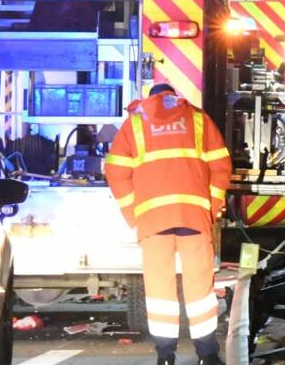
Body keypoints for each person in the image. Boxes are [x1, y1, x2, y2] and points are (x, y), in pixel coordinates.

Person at [105, 84, 231, 365]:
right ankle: (207, 355)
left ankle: (165, 356)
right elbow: (221, 166)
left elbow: (115, 170)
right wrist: (211, 207)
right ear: (173, 96)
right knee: (200, 288)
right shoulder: (197, 118)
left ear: (151, 99)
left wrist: (132, 212)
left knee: (160, 288)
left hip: (153, 219)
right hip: (193, 215)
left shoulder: (135, 123)